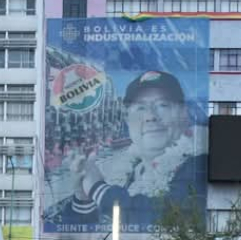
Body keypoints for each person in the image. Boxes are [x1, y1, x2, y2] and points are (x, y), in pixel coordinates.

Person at [55, 70, 202, 228]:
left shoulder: (198, 166)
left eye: (162, 105)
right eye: (140, 108)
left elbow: (168, 217)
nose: (150, 116)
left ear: (183, 113)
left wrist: (97, 188)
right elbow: (89, 238)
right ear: (127, 120)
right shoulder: (127, 173)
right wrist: (83, 197)